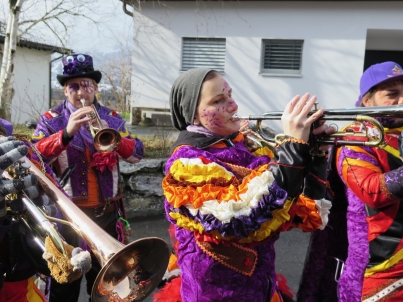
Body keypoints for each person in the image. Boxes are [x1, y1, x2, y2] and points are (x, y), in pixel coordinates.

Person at [153, 68, 334, 302]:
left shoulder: (248, 148)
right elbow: (241, 218)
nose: (233, 106)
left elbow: (307, 214)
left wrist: (314, 156)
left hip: (262, 289)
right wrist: (292, 149)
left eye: (230, 95)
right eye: (218, 100)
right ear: (194, 115)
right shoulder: (187, 164)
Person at [31, 53, 144, 302]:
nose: (82, 92)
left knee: (108, 286)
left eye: (87, 85)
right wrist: (66, 133)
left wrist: (114, 136)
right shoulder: (51, 120)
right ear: (64, 90)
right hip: (67, 220)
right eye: (74, 86)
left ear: (95, 87)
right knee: (64, 287)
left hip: (107, 215)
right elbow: (35, 156)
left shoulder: (113, 117)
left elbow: (137, 154)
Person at [297, 61, 403, 302]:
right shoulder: (355, 138)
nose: (402, 101)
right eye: (392, 95)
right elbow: (373, 191)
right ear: (367, 101)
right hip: (378, 272)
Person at [0, 120, 90, 302]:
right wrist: (65, 134)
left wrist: (55, 238)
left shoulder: (16, 145)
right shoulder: (52, 118)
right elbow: (46, 148)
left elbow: (52, 206)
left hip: (20, 288)